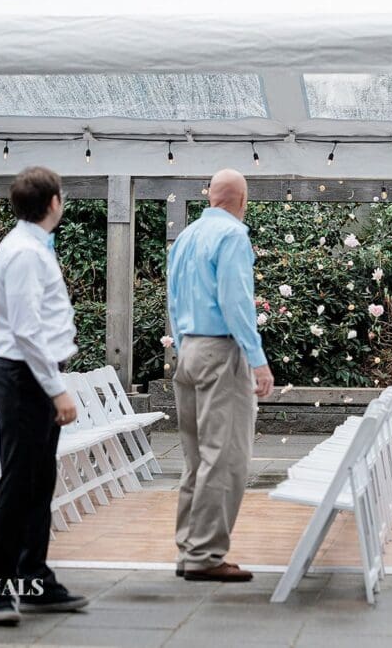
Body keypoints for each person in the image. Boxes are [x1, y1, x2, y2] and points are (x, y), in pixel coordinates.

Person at [0, 166, 88, 625]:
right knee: (19, 483)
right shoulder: (25, 252)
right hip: (25, 378)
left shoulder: (31, 245)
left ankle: (34, 578)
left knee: (39, 482)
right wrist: (57, 389)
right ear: (54, 202)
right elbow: (26, 330)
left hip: (31, 375)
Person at [167, 168, 274, 582]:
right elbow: (236, 302)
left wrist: (183, 346)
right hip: (220, 350)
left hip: (189, 350)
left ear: (209, 196)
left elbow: (174, 299)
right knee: (225, 457)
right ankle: (205, 555)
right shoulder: (233, 236)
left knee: (196, 459)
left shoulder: (187, 237)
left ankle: (188, 549)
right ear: (243, 201)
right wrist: (257, 359)